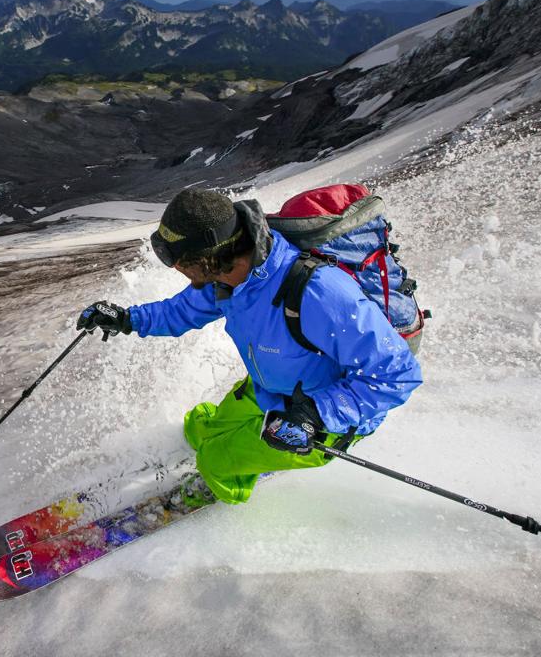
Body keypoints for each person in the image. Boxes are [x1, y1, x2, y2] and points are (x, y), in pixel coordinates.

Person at [76, 188, 423, 505]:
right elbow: (181, 310)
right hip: (271, 388)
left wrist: (315, 415)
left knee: (214, 460)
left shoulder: (318, 291)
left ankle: (212, 490)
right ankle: (223, 445)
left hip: (321, 421)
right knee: (201, 429)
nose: (173, 267)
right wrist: (126, 319)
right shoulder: (227, 278)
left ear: (208, 256)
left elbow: (398, 373)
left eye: (176, 259)